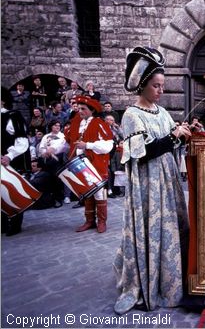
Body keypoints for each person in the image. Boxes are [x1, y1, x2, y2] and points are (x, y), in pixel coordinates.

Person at [113, 46, 191, 315]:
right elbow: (143, 152)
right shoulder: (131, 115)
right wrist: (173, 138)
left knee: (174, 228)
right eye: (156, 86)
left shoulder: (161, 111)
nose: (160, 91)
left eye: (162, 86)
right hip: (149, 186)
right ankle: (152, 282)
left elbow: (171, 140)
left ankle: (175, 280)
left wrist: (185, 133)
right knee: (155, 228)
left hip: (167, 179)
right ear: (143, 85)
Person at [65, 95, 113, 232]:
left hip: (96, 164)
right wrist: (51, 148)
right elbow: (66, 141)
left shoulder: (99, 123)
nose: (80, 111)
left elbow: (108, 145)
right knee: (87, 193)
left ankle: (102, 222)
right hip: (80, 165)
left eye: (83, 109)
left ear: (92, 110)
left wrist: (87, 145)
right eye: (79, 108)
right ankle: (89, 221)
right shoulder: (75, 123)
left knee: (98, 193)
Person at [1, 87, 31, 236]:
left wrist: (9, 156)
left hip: (10, 162)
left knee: (12, 191)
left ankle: (15, 223)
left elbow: (22, 141)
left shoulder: (13, 116)